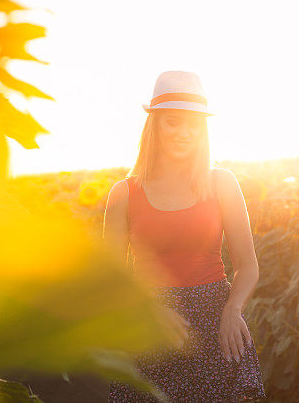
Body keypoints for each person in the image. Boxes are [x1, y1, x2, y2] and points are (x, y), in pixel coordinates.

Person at [103, 70, 267, 402]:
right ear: (155, 126)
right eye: (173, 122)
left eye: (193, 123)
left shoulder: (222, 183)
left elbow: (247, 266)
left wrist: (233, 309)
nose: (183, 132)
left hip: (216, 322)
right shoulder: (123, 194)